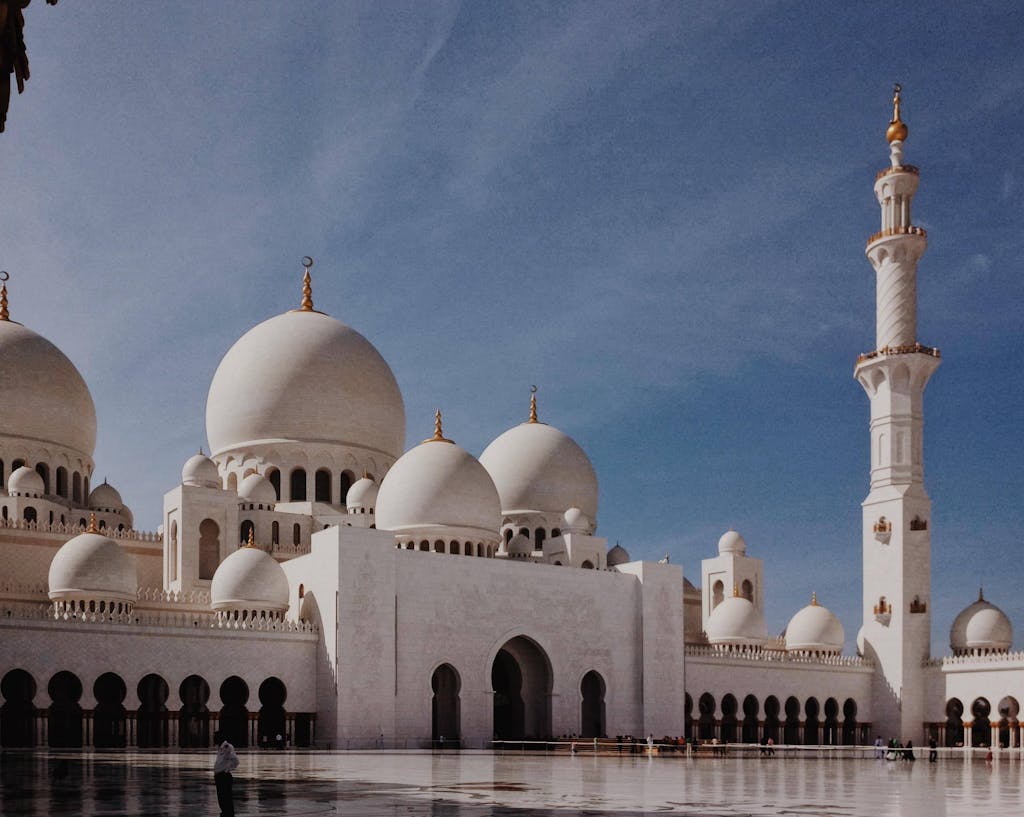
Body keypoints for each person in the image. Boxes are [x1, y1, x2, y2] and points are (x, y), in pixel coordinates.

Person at [213, 730, 239, 817]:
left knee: (226, 798)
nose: (214, 739)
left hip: (224, 776)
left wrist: (226, 770)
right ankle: (224, 813)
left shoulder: (228, 747)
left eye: (215, 737)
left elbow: (235, 760)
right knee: (221, 798)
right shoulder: (221, 748)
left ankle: (228, 814)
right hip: (219, 776)